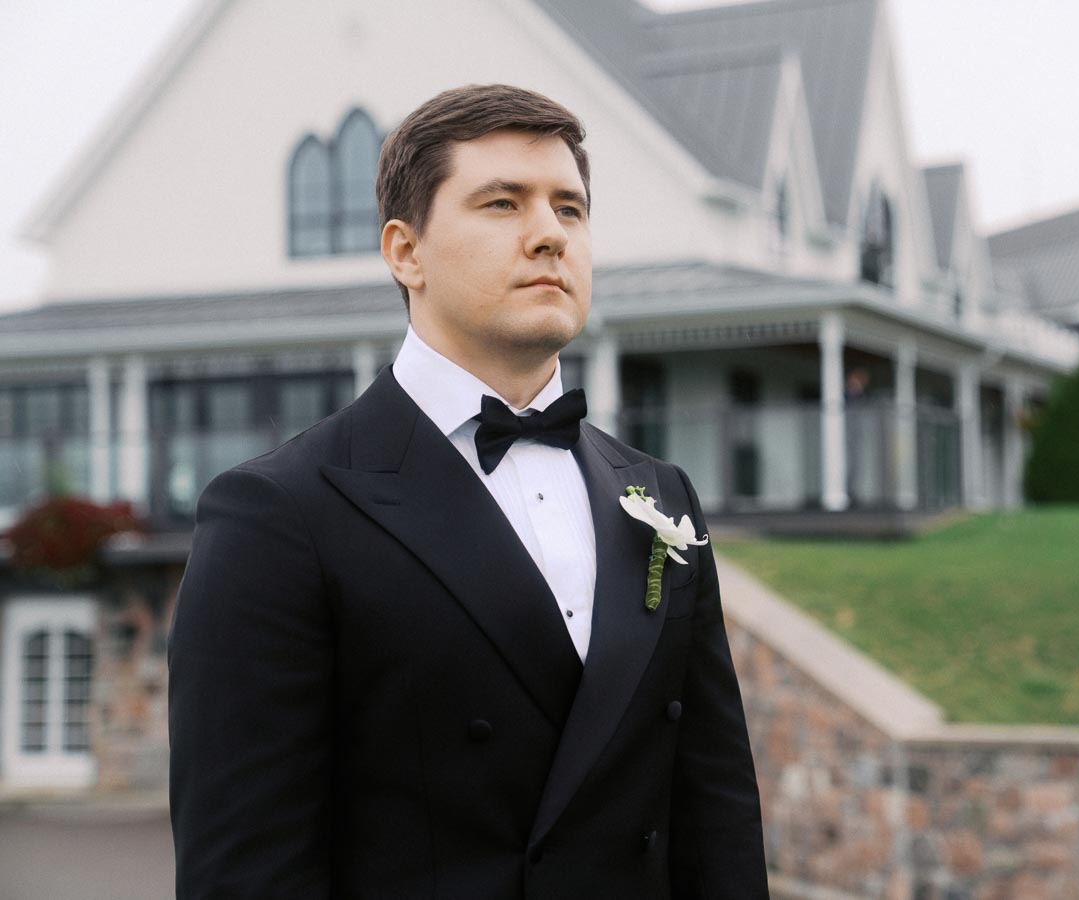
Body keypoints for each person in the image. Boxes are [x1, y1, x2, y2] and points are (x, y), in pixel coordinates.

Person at [168, 84, 768, 898]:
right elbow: (245, 871)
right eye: (502, 203)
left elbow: (715, 811)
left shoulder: (661, 493)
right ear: (405, 252)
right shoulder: (278, 514)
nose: (550, 234)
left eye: (570, 208)